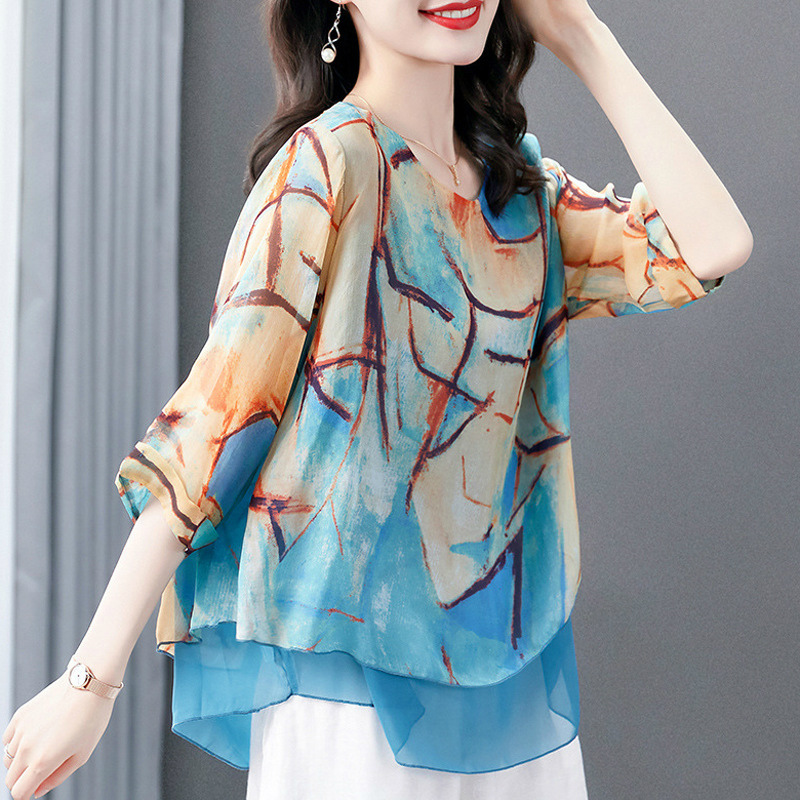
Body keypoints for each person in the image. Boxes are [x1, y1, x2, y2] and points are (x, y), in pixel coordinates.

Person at [2, 0, 753, 798]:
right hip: (347, 694)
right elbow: (216, 429)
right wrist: (91, 680)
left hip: (506, 680)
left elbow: (710, 247)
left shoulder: (520, 192)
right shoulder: (327, 165)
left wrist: (583, 36)